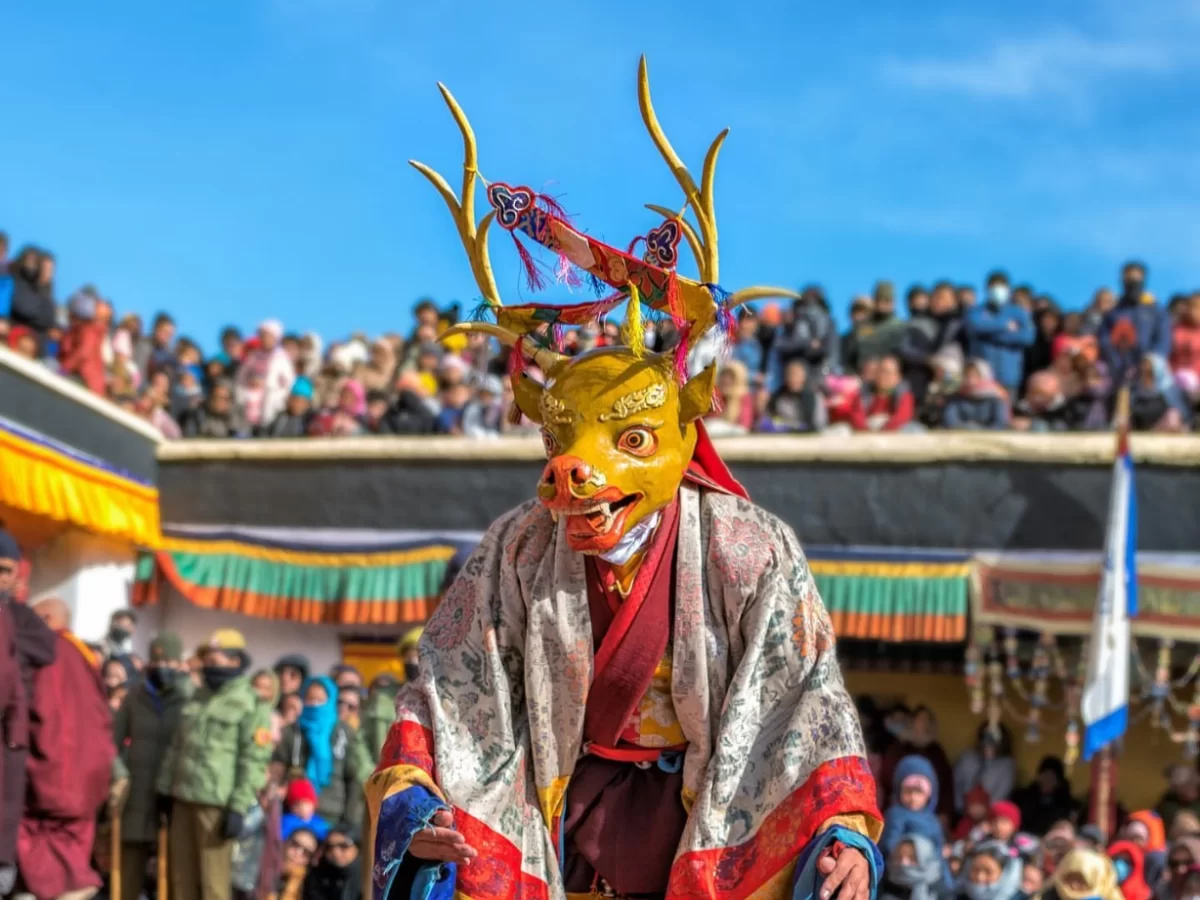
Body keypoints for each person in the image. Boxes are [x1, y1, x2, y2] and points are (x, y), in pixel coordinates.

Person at [367, 64, 882, 900]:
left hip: (696, 815)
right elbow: (452, 687)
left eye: (632, 439)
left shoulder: (747, 547)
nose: (580, 471)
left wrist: (838, 830)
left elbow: (802, 700)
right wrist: (419, 797)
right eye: (562, 439)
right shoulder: (519, 546)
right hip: (554, 821)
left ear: (689, 427)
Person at [156, 628, 273, 900]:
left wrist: (238, 806)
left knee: (213, 887)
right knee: (181, 882)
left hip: (217, 807)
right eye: (205, 660)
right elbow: (177, 747)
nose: (209, 665)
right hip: (182, 799)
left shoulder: (251, 703)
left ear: (235, 660)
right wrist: (163, 788)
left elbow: (253, 760)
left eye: (215, 659)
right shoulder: (198, 697)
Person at [20, 598, 115, 900]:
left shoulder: (52, 653)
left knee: (48, 877)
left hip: (53, 785)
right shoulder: (81, 655)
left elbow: (50, 720)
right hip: (85, 784)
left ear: (46, 619)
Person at [112, 632, 194, 900]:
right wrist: (119, 774)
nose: (163, 669)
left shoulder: (191, 699)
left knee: (171, 875)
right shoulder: (134, 696)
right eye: (158, 663)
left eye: (169, 663)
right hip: (135, 792)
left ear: (180, 664)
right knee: (126, 875)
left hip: (173, 796)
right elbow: (109, 743)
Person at [271, 676, 370, 832]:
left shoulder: (343, 733)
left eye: (320, 699)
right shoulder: (291, 732)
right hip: (294, 814)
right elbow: (277, 769)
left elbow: (354, 778)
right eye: (310, 699)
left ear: (330, 700)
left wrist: (350, 818)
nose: (314, 704)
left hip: (333, 814)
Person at [964, 271, 1035, 400]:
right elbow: (975, 326)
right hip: (981, 377)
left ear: (1008, 289)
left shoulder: (1018, 312)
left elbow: (1027, 337)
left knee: (1005, 414)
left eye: (1001, 287)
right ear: (987, 289)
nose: (997, 291)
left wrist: (989, 335)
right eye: (993, 287)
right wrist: (1004, 325)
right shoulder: (976, 311)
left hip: (1009, 377)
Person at [1099, 261, 1172, 385]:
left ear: (1143, 281)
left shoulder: (1156, 310)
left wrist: (1150, 362)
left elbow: (1163, 341)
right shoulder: (1113, 312)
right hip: (1116, 371)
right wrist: (1116, 362)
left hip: (1149, 371)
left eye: (1136, 279)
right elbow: (1104, 339)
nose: (1132, 284)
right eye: (1128, 279)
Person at [880, 705, 955, 821]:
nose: (925, 725)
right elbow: (887, 780)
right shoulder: (899, 749)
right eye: (921, 720)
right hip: (900, 809)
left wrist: (944, 813)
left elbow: (946, 785)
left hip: (931, 814)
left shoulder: (937, 752)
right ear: (912, 722)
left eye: (928, 721)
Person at [880, 755, 945, 859]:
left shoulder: (933, 821)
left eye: (919, 792)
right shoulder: (895, 815)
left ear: (929, 795)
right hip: (901, 868)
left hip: (929, 871)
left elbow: (939, 855)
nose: (913, 797)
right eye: (908, 791)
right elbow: (888, 846)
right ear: (899, 791)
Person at [954, 723, 1016, 813]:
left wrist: (981, 813)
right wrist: (959, 808)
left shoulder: (1007, 766)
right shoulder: (968, 757)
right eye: (986, 738)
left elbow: (1000, 797)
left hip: (987, 816)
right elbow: (956, 783)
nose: (989, 743)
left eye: (995, 740)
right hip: (960, 811)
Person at [1013, 756, 1079, 838]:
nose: (1047, 780)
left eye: (1051, 777)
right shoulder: (1023, 797)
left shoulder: (1067, 803)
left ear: (1059, 781)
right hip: (1024, 838)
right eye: (1044, 775)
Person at [848, 355, 915, 431]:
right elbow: (857, 416)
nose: (883, 376)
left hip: (893, 433)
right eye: (880, 371)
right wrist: (867, 431)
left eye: (888, 372)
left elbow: (902, 418)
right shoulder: (864, 393)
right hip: (867, 432)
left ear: (898, 376)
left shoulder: (904, 395)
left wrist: (884, 431)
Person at [1129, 354, 1191, 432]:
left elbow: (1182, 412)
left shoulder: (1169, 389)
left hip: (1166, 423)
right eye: (1143, 370)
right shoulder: (1136, 388)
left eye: (1149, 371)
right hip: (1143, 424)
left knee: (1173, 416)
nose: (1144, 368)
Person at [942, 360, 1011, 430]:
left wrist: (979, 431)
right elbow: (950, 422)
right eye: (967, 375)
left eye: (975, 375)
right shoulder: (956, 399)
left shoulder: (996, 399)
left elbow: (1000, 424)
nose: (970, 380)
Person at [763, 358, 827, 432]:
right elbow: (768, 423)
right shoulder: (777, 399)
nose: (793, 378)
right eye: (790, 374)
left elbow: (820, 424)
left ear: (804, 376)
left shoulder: (815, 398)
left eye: (797, 374)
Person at [302, 824, 362, 900]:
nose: (335, 852)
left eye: (343, 846)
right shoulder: (316, 876)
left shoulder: (370, 880)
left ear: (358, 847)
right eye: (329, 847)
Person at [879, 835, 949, 900]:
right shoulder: (879, 887)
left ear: (926, 862)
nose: (904, 863)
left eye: (912, 858)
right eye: (898, 857)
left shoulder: (940, 892)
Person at [1040, 848, 1124, 900]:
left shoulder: (1109, 896)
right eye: (1070, 878)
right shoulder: (1045, 896)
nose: (1074, 885)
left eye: (1081, 881)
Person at [955, 840, 1022, 900]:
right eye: (975, 870)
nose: (980, 877)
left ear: (1004, 874)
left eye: (988, 872)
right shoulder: (958, 896)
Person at [360, 674, 399, 764]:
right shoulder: (359, 717)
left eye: (387, 691)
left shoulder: (405, 720)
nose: (380, 697)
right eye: (378, 690)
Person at [279, 828, 320, 900]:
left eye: (306, 852)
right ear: (285, 843)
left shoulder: (308, 890)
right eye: (295, 845)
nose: (298, 853)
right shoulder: (260, 869)